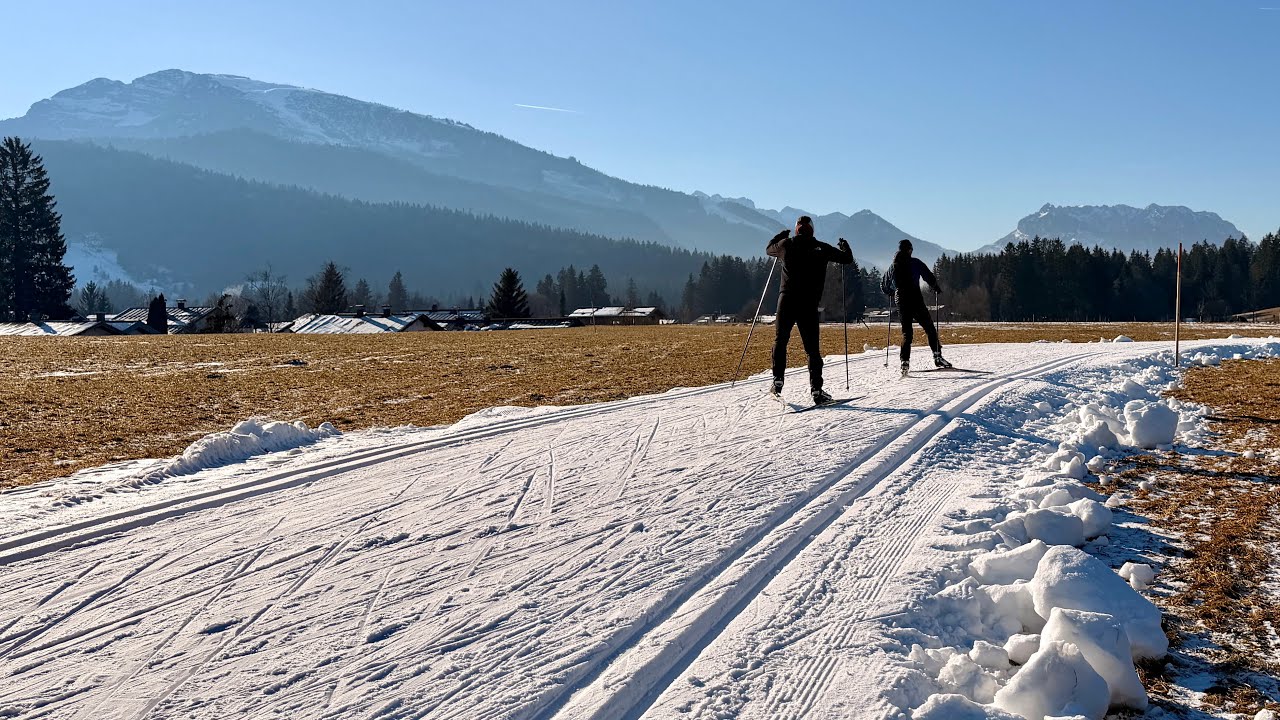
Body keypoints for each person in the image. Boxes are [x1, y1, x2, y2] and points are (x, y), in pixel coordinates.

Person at [766, 216, 853, 405]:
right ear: (812, 230)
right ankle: (816, 390)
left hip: (786, 299)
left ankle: (778, 381)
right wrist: (844, 245)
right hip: (808, 303)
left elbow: (769, 249)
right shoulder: (821, 248)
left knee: (780, 340)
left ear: (796, 230)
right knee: (812, 349)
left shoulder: (785, 244)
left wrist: (781, 235)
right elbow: (847, 259)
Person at [883, 238, 951, 375]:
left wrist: (892, 292)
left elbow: (884, 285)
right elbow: (928, 276)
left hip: (901, 301)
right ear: (910, 250)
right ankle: (937, 356)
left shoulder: (893, 266)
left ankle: (904, 362)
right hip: (915, 300)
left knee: (907, 333)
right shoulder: (915, 263)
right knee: (929, 328)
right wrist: (936, 287)